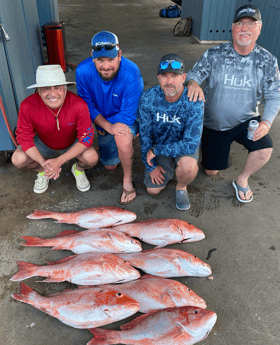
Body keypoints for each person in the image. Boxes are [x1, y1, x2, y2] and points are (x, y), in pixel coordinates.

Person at [186, 4, 280, 203]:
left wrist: (267, 122)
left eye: (250, 24)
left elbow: (274, 95)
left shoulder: (267, 60)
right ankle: (208, 144)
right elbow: (194, 74)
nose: (244, 28)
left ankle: (242, 179)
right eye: (240, 23)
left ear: (259, 28)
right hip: (214, 123)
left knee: (265, 148)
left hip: (246, 121)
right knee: (211, 171)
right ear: (232, 27)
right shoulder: (214, 54)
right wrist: (193, 83)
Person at [76, 30, 144, 204]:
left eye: (110, 59)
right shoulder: (83, 71)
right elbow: (87, 105)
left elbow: (128, 116)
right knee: (110, 166)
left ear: (119, 55)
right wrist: (105, 127)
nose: (105, 66)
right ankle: (118, 141)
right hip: (103, 120)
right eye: (100, 60)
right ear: (93, 57)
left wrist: (107, 127)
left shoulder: (131, 73)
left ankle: (127, 181)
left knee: (122, 137)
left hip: (125, 117)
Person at [12, 65, 98, 194]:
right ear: (38, 91)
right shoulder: (27, 105)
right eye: (46, 88)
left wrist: (59, 161)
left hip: (71, 142)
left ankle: (78, 169)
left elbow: (86, 137)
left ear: (65, 88)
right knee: (18, 159)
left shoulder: (79, 104)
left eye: (57, 87)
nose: (53, 93)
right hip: (42, 142)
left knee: (91, 157)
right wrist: (46, 165)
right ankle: (43, 171)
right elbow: (24, 137)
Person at [138, 54, 203, 210]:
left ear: (184, 78)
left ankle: (181, 187)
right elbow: (145, 135)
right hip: (160, 147)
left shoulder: (194, 100)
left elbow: (190, 144)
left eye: (175, 75)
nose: (169, 81)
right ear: (158, 78)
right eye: (164, 76)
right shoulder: (148, 97)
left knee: (188, 166)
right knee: (153, 190)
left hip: (180, 147)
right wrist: (151, 167)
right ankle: (169, 168)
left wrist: (156, 150)